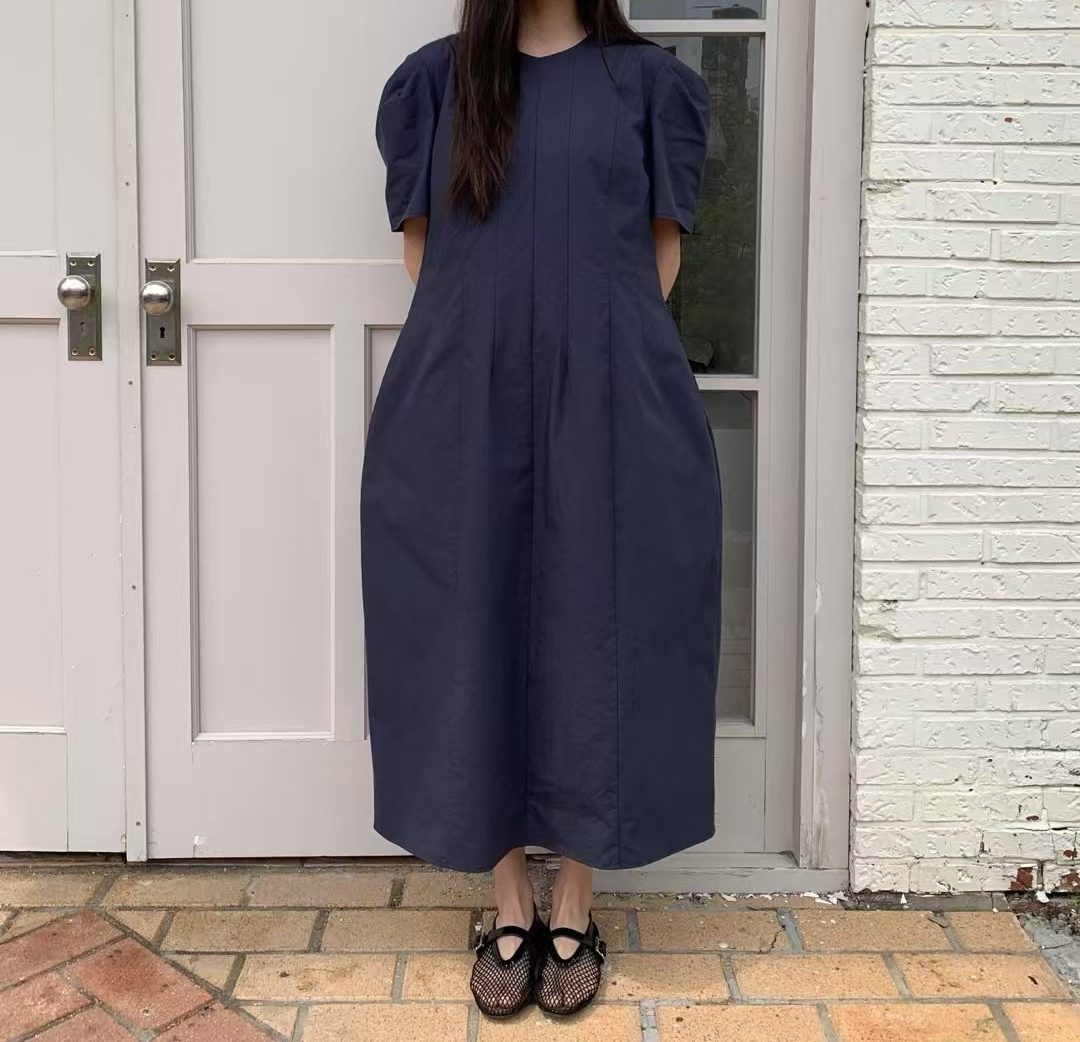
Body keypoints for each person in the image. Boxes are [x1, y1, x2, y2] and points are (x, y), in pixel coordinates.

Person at [361, 0, 722, 1018]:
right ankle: (508, 898)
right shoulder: (436, 84)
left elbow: (659, 259)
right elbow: (424, 258)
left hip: (609, 392)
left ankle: (576, 900)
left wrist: (592, 353)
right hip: (464, 394)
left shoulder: (648, 87)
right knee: (472, 623)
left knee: (600, 628)